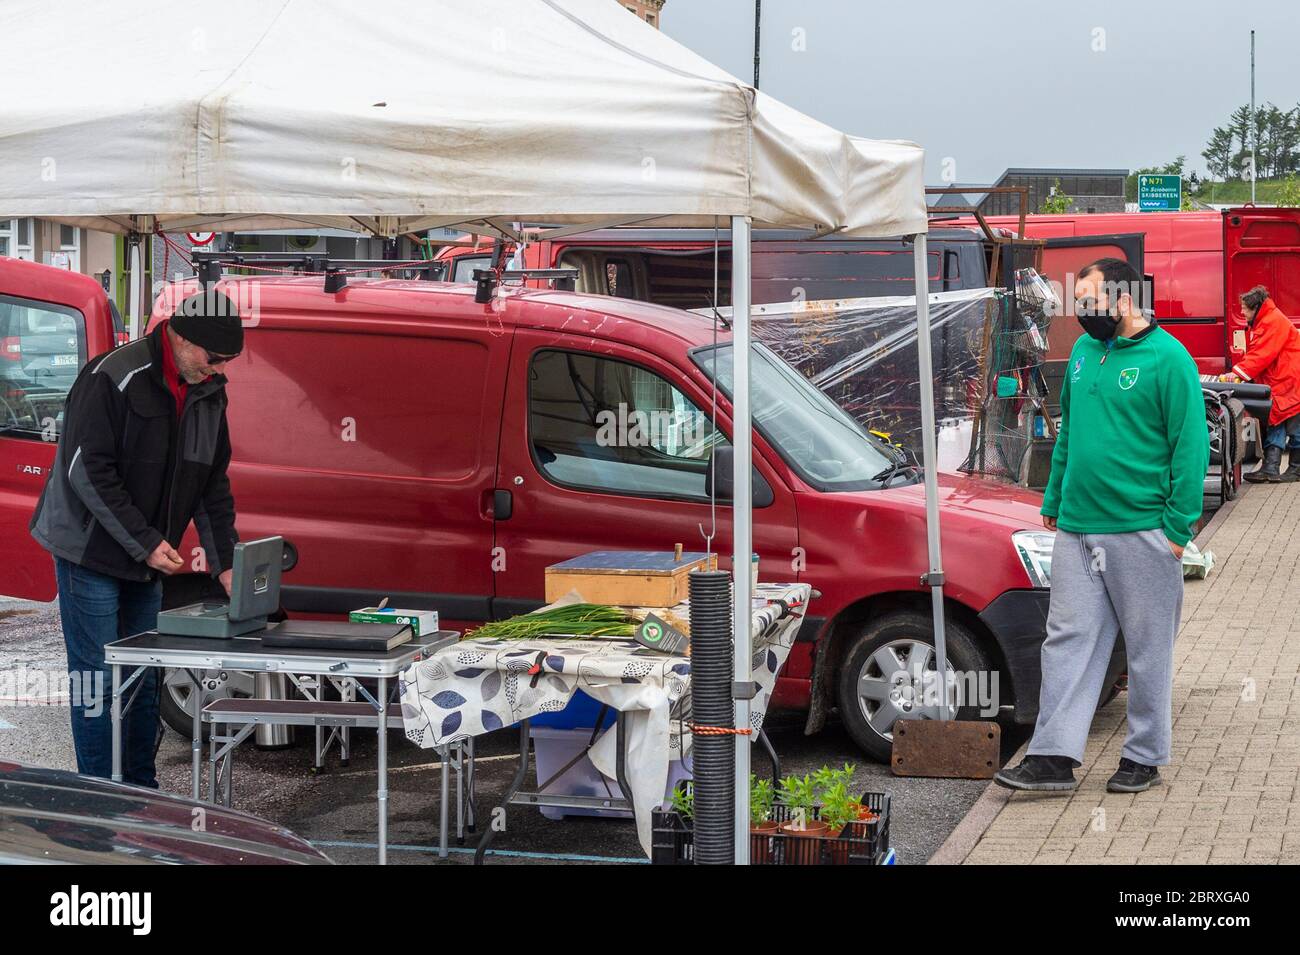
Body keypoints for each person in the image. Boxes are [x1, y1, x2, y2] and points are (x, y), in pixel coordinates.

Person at [995, 258, 1208, 794]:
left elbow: (1191, 448)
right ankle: (1052, 757)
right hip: (1078, 527)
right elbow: (1069, 432)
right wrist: (1055, 492)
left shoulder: (1169, 359)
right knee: (1066, 640)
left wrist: (1178, 530)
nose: (1083, 313)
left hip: (1142, 531)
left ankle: (1143, 757)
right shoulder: (1086, 354)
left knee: (1146, 647)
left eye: (1091, 301)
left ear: (1124, 299)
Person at [30, 289, 243, 786]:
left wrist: (226, 561)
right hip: (90, 550)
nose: (217, 370)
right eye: (214, 358)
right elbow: (88, 470)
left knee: (143, 678)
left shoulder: (210, 391)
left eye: (228, 362)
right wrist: (146, 541)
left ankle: (142, 796)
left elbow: (211, 480)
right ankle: (102, 798)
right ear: (182, 337)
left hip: (145, 557)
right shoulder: (113, 374)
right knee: (97, 681)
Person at [1221, 285, 1300, 483]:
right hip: (1285, 381)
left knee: (1293, 426)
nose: (1241, 312)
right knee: (1278, 421)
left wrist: (1237, 373)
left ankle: (1292, 469)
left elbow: (1261, 355)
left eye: (1245, 308)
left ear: (1256, 307)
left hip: (1289, 382)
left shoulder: (1271, 322)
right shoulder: (1268, 320)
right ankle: (1271, 468)